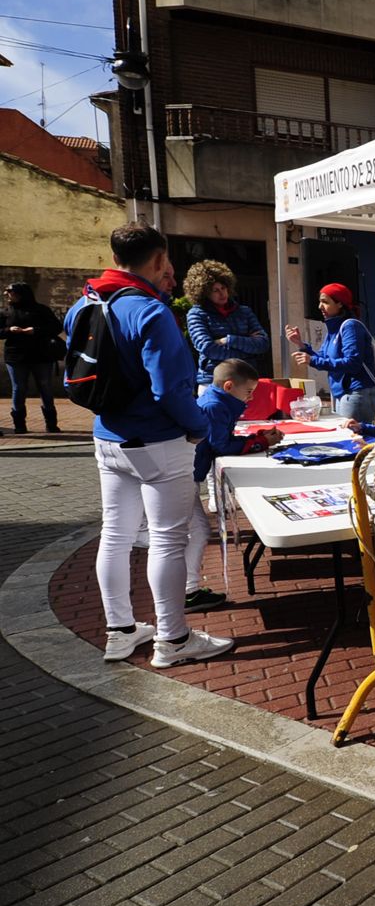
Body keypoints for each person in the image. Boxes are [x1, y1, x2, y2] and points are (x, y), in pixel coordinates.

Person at [66, 222, 235, 668]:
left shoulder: (84, 303)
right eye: (170, 264)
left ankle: (120, 631)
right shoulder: (151, 312)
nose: (173, 275)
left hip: (107, 438)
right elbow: (170, 391)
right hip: (158, 443)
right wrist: (199, 428)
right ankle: (173, 639)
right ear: (158, 259)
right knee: (166, 540)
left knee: (116, 535)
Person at [187, 358, 282, 611]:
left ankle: (188, 589)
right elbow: (221, 445)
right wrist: (262, 443)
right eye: (248, 392)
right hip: (185, 476)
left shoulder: (219, 402)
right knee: (194, 532)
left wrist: (257, 438)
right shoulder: (215, 406)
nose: (250, 398)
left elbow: (223, 439)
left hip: (188, 474)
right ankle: (187, 591)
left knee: (193, 532)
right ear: (229, 386)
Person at [284, 283, 375, 425]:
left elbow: (353, 363)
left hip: (357, 393)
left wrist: (312, 360)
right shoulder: (334, 329)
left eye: (325, 302)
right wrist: (300, 344)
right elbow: (324, 358)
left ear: (340, 304)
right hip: (344, 393)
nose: (320, 307)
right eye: (320, 301)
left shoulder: (350, 326)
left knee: (353, 438)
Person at [183, 260, 269, 391]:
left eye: (223, 288)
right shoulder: (196, 314)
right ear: (204, 293)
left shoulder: (244, 311)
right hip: (213, 382)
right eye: (215, 290)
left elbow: (263, 344)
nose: (222, 293)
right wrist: (248, 351)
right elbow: (209, 348)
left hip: (245, 381)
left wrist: (228, 340)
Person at [0, 281, 65, 435]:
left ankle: (51, 424)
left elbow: (56, 327)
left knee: (45, 387)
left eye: (11, 292)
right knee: (19, 388)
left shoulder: (41, 310)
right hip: (15, 356)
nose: (8, 295)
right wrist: (9, 330)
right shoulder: (5, 312)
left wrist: (35, 330)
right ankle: (19, 425)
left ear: (22, 294)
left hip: (41, 355)